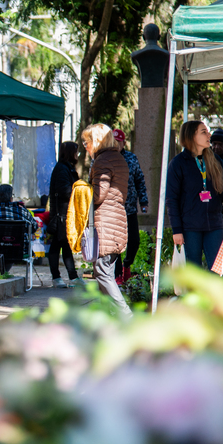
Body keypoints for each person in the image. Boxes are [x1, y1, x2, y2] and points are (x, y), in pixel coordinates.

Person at [167, 121, 223, 270]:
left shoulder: (214, 159)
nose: (209, 135)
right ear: (192, 136)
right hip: (190, 226)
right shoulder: (178, 163)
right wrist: (177, 230)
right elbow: (172, 199)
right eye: (203, 132)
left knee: (218, 268)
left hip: (214, 224)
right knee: (195, 272)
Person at [81, 124, 131, 316]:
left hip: (105, 221)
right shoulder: (119, 158)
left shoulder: (102, 161)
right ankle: (114, 318)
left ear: (97, 141)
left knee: (102, 271)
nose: (85, 146)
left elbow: (99, 195)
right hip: (116, 219)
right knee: (106, 271)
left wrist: (83, 194)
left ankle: (125, 316)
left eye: (87, 142)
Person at [112, 129, 148, 284]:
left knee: (134, 240)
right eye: (113, 142)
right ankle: (117, 274)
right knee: (115, 244)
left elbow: (139, 180)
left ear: (123, 143)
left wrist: (144, 201)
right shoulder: (104, 159)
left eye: (118, 142)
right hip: (112, 209)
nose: (116, 145)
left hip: (130, 208)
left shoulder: (131, 158)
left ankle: (127, 266)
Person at [48, 141, 82, 289]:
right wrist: (79, 191)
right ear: (70, 153)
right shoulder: (62, 169)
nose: (78, 155)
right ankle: (57, 277)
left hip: (64, 212)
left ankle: (72, 277)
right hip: (61, 213)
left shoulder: (66, 168)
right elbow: (64, 190)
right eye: (76, 152)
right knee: (57, 245)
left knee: (65, 245)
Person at [0, 184, 38, 271]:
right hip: (19, 251)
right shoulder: (23, 211)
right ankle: (4, 272)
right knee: (11, 249)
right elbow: (34, 227)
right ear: (10, 197)